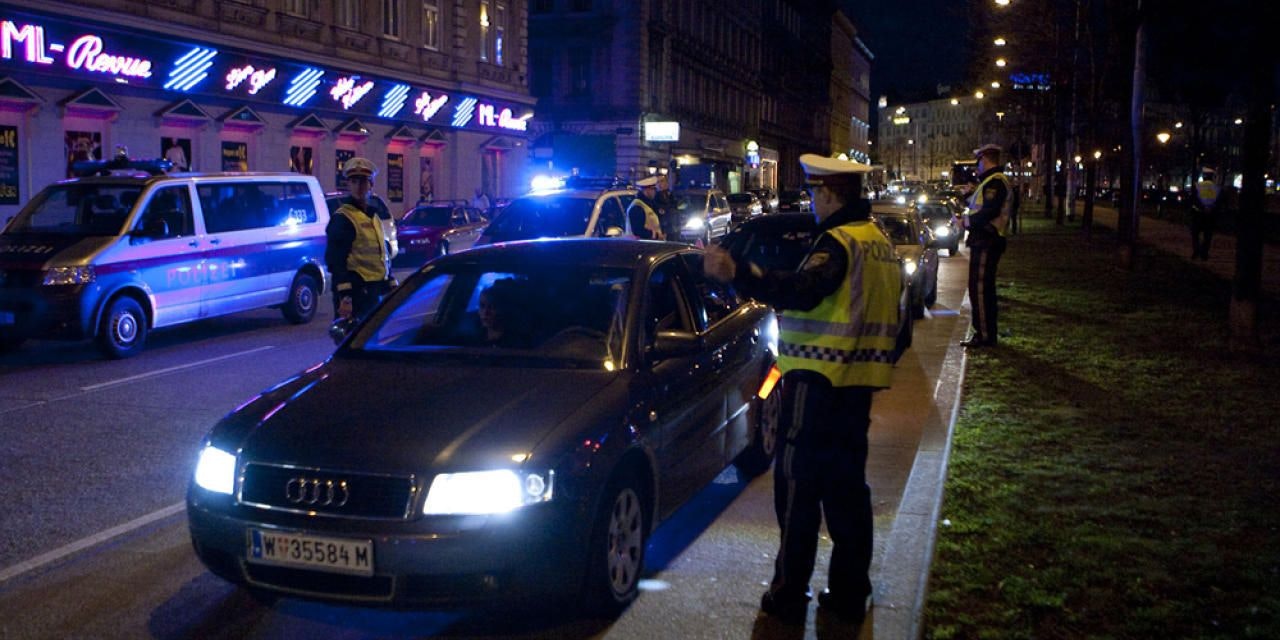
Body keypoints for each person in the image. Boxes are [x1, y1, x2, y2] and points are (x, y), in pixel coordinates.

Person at [704, 153, 901, 627]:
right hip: (856, 388)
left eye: (816, 192)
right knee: (847, 492)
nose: (813, 200)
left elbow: (803, 289)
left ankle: (790, 594)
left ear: (831, 193)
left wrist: (742, 274)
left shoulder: (837, 243)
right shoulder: (879, 243)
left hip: (815, 386)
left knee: (797, 491)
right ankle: (851, 592)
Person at [326, 157, 396, 324]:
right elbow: (336, 261)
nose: (359, 187)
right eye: (354, 181)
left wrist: (390, 281)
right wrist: (345, 297)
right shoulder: (343, 218)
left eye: (364, 181)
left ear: (371, 185)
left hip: (374, 292)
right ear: (348, 185)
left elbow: (381, 253)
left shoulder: (374, 216)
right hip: (356, 293)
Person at [962, 143, 1011, 348]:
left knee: (980, 288)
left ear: (985, 159)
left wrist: (965, 222)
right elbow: (979, 207)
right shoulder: (989, 182)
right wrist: (967, 197)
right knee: (982, 288)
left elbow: (988, 212)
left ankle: (984, 335)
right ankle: (985, 332)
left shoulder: (996, 182)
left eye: (979, 161)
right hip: (984, 239)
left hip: (987, 239)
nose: (977, 166)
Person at [1190, 167, 1221, 260]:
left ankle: (1196, 251)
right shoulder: (1216, 188)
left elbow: (1193, 200)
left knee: (1195, 234)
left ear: (1203, 176)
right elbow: (1219, 202)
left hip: (1198, 213)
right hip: (1210, 215)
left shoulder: (1197, 186)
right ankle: (1204, 254)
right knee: (1207, 236)